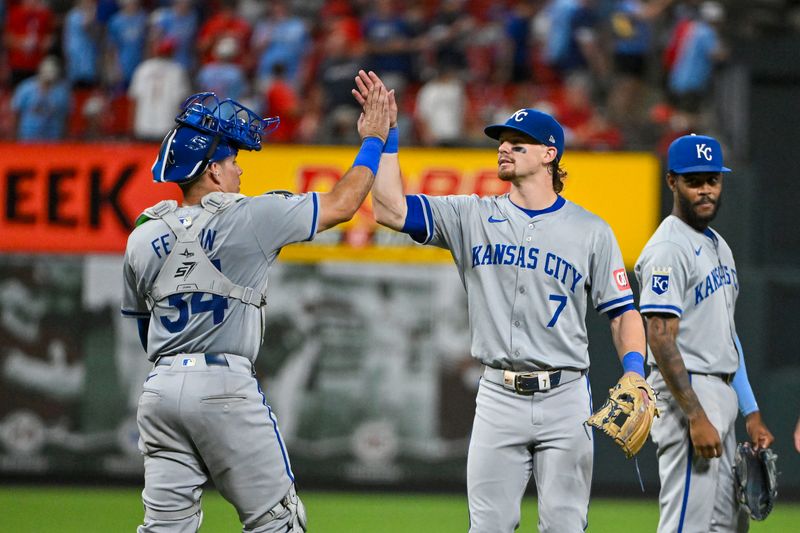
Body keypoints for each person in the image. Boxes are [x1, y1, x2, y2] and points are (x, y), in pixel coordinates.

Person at [353, 70, 648, 532]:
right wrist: (387, 139)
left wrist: (634, 371)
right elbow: (390, 209)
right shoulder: (471, 214)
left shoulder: (591, 230)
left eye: (519, 141)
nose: (504, 147)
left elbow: (622, 313)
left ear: (550, 154)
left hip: (566, 394)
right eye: (502, 140)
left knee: (565, 527)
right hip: (497, 394)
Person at [121, 86, 389, 531]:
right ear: (212, 172)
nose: (239, 172)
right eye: (232, 163)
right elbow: (343, 204)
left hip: (160, 391)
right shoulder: (247, 216)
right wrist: (374, 139)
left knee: (166, 528)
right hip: (223, 383)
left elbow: (143, 327)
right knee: (277, 522)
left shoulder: (143, 234)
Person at [634, 133, 774, 532]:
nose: (706, 189)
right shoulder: (668, 248)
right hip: (689, 392)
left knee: (728, 526)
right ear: (672, 182)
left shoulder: (718, 246)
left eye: (712, 179)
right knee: (687, 523)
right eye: (694, 181)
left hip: (722, 391)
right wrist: (695, 415)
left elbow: (727, 336)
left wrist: (751, 411)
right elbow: (660, 337)